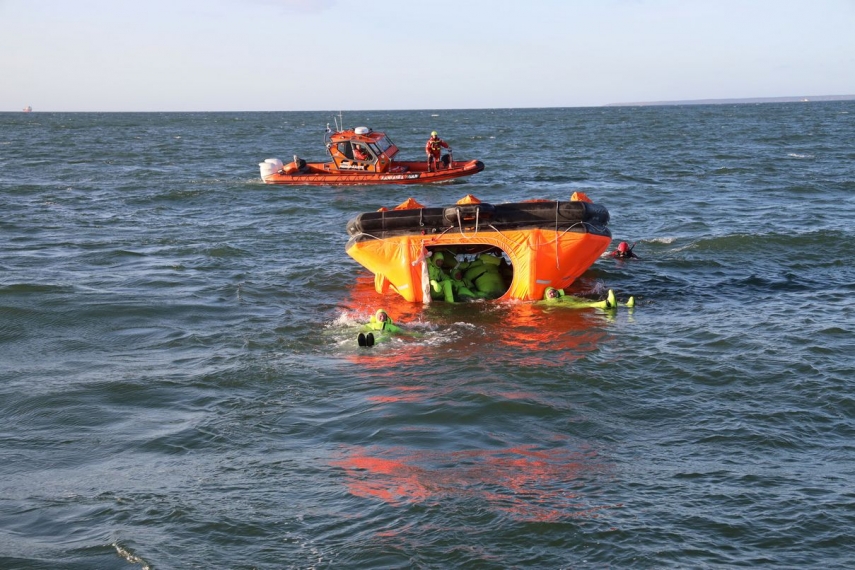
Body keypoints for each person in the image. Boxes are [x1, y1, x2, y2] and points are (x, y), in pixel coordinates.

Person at [542, 287, 635, 309]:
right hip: (573, 306)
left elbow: (576, 298)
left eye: (553, 292)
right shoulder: (548, 302)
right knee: (589, 304)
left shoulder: (564, 296)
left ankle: (626, 305)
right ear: (546, 296)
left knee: (590, 301)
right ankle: (604, 304)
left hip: (577, 302)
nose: (552, 294)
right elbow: (535, 303)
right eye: (549, 293)